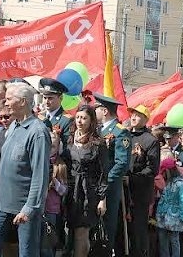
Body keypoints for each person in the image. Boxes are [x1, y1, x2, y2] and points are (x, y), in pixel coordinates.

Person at [0, 82, 51, 256]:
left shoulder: (38, 132)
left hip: (25, 205)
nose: (5, 103)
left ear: (23, 101)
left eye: (9, 99)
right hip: (2, 202)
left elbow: (40, 175)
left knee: (26, 252)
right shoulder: (13, 127)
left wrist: (29, 208)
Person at [66, 105, 107, 257]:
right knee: (72, 231)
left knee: (82, 232)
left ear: (91, 121)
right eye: (78, 117)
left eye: (84, 118)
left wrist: (102, 199)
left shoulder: (97, 144)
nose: (80, 121)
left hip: (88, 192)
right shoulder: (70, 140)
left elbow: (103, 173)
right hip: (71, 190)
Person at [94, 93, 131, 253]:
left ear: (104, 111)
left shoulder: (120, 131)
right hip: (93, 184)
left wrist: (105, 181)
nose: (93, 111)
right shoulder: (97, 129)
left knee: (106, 228)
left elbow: (121, 163)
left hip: (108, 187)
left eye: (96, 108)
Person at [126, 103, 159, 257]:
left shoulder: (151, 140)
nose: (133, 117)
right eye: (132, 114)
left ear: (146, 119)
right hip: (123, 190)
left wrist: (133, 178)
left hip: (139, 193)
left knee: (138, 229)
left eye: (138, 115)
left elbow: (152, 168)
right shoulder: (125, 136)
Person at [155, 157, 183, 257]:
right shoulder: (168, 183)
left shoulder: (181, 185)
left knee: (174, 241)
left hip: (174, 218)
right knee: (163, 242)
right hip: (163, 217)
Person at [43, 128, 68, 257]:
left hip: (52, 208)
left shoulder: (60, 165)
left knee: (48, 239)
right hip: (39, 206)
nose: (50, 149)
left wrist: (55, 183)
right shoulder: (39, 161)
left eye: (53, 146)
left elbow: (64, 190)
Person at [38, 78, 73, 149]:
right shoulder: (39, 116)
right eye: (45, 98)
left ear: (60, 98)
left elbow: (66, 148)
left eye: (50, 98)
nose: (46, 102)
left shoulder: (67, 120)